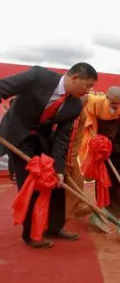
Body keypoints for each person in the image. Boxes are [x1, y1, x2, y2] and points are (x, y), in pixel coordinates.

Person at [0, 62, 97, 249]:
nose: (89, 91)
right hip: (17, 135)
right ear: (75, 77)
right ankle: (30, 234)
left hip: (42, 139)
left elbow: (62, 139)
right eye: (88, 85)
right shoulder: (38, 76)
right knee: (32, 181)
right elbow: (3, 88)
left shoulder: (74, 106)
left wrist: (58, 169)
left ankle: (55, 227)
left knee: (57, 183)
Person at [80, 86, 120, 215]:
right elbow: (85, 107)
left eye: (118, 103)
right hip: (102, 149)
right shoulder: (96, 103)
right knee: (106, 177)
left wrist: (115, 147)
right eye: (113, 103)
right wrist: (100, 146)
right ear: (106, 98)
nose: (116, 106)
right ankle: (108, 208)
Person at [64, 93, 89, 218]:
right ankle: (66, 213)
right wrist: (68, 160)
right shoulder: (73, 113)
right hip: (65, 153)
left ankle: (77, 206)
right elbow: (70, 138)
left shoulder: (81, 111)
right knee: (69, 181)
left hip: (71, 153)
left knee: (78, 180)